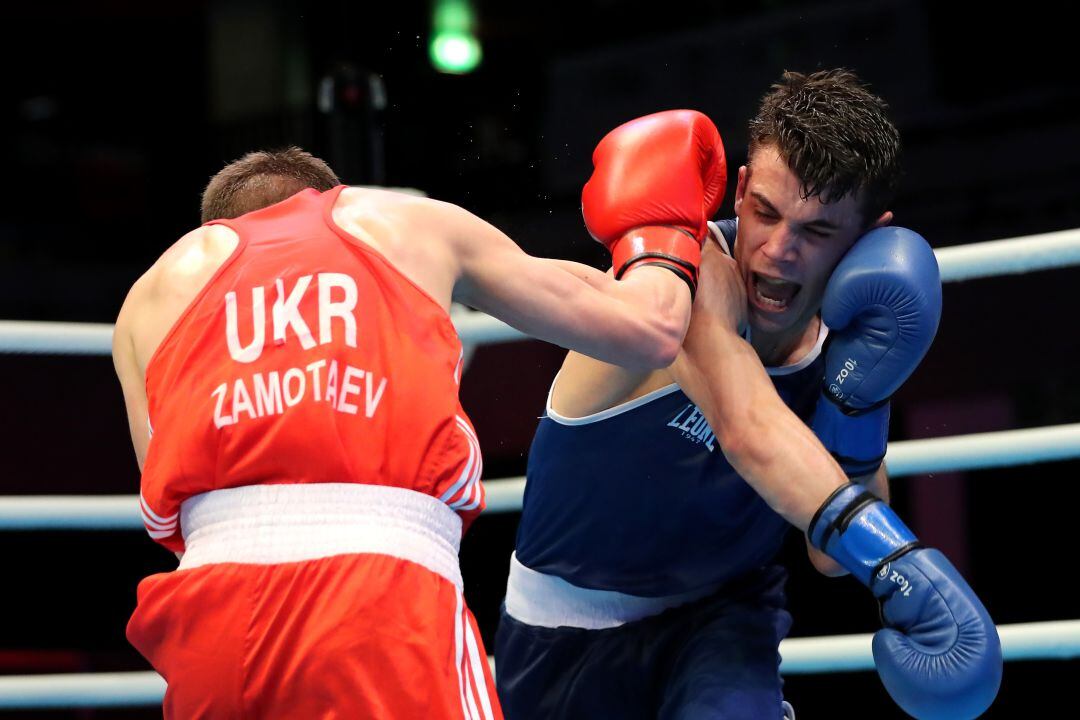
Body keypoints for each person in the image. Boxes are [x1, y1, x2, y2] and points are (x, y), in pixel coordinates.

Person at [111, 141, 726, 718]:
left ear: (210, 233)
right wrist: (662, 235)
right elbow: (649, 329)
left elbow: (170, 514)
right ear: (334, 195)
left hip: (209, 626)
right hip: (377, 600)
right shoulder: (397, 221)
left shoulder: (149, 296)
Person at [495, 70, 1001, 719]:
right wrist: (899, 562)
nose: (779, 251)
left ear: (868, 237)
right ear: (738, 190)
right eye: (765, 212)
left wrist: (859, 403)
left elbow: (828, 558)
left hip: (724, 618)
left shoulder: (847, 344)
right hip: (560, 632)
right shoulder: (682, 279)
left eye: (818, 233)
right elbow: (746, 425)